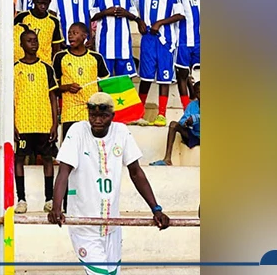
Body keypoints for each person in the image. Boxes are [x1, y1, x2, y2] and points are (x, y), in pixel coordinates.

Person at [48, 92, 170, 272]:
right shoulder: (77, 131)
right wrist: (56, 206)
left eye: (103, 116)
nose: (97, 120)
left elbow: (136, 173)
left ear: (112, 116)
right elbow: (63, 171)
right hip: (84, 223)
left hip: (112, 224)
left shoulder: (121, 131)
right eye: (93, 115)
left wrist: (156, 209)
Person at [13, 28, 60, 214]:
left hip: (43, 122)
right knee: (19, 159)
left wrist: (55, 123)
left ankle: (49, 199)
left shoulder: (46, 68)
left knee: (47, 158)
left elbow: (53, 96)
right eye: (29, 40)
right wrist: (12, 123)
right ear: (21, 44)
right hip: (23, 123)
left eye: (35, 40)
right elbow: (11, 97)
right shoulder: (15, 68)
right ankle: (21, 199)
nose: (33, 43)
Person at [133, 0, 185, 127]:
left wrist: (160, 22)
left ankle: (162, 114)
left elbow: (180, 15)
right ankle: (139, 112)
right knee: (146, 76)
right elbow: (134, 11)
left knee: (164, 78)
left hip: (165, 40)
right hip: (148, 39)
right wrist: (139, 21)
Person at [53, 23, 109, 141]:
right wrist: (67, 87)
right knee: (70, 147)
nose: (71, 36)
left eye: (75, 33)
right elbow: (54, 87)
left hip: (92, 112)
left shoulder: (96, 57)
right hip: (70, 112)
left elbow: (105, 84)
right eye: (69, 33)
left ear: (84, 36)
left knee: (91, 147)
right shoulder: (60, 57)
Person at [90, 0, 139, 77]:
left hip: (123, 46)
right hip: (105, 45)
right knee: (105, 79)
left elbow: (134, 15)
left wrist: (125, 13)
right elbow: (92, 16)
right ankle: (107, 97)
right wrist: (107, 12)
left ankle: (122, 97)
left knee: (126, 80)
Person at [152, 65, 200, 166]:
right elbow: (182, 120)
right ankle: (167, 159)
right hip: (194, 135)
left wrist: (196, 118)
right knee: (173, 125)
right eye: (198, 92)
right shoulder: (192, 105)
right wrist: (187, 122)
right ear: (195, 94)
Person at [173, 0, 201, 109]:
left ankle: (198, 104)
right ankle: (186, 107)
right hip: (182, 40)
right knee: (182, 74)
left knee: (198, 74)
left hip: (199, 39)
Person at [15, 0, 64, 65]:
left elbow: (56, 47)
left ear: (50, 2)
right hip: (24, 64)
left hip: (45, 64)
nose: (43, 6)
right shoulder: (22, 17)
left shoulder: (53, 21)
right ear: (34, 1)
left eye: (45, 4)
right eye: (40, 3)